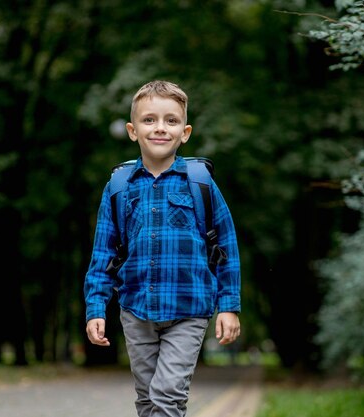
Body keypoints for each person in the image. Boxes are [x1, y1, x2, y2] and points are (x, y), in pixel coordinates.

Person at [84, 80, 241, 417]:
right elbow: (104, 253)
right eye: (149, 120)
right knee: (146, 399)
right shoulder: (118, 186)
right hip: (135, 309)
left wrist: (228, 305)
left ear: (184, 132)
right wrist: (96, 307)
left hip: (189, 308)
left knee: (167, 394)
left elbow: (225, 244)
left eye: (171, 121)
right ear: (132, 130)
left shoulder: (200, 182)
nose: (160, 128)